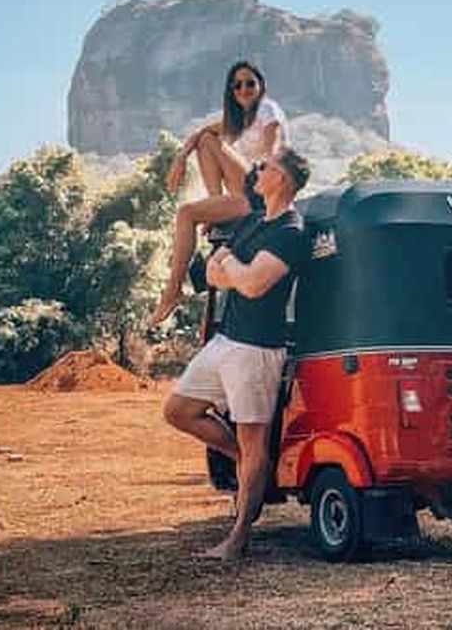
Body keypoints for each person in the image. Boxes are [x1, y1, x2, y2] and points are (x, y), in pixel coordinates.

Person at [161, 146, 310, 561]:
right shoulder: (253, 223)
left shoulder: (291, 232)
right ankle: (246, 464)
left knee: (255, 439)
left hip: (257, 350)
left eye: (266, 167)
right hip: (226, 340)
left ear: (282, 180)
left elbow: (253, 285)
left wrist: (230, 266)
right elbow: (212, 273)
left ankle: (238, 538)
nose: (257, 170)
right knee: (178, 410)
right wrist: (230, 266)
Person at [149, 60, 289, 327]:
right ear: (231, 92)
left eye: (250, 83)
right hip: (247, 189)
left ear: (260, 86)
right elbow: (199, 134)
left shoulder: (267, 109)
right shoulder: (238, 120)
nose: (244, 89)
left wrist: (267, 184)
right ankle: (216, 207)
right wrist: (180, 158)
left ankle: (172, 290)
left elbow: (273, 152)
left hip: (264, 188)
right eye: (237, 85)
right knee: (205, 141)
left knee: (186, 213)